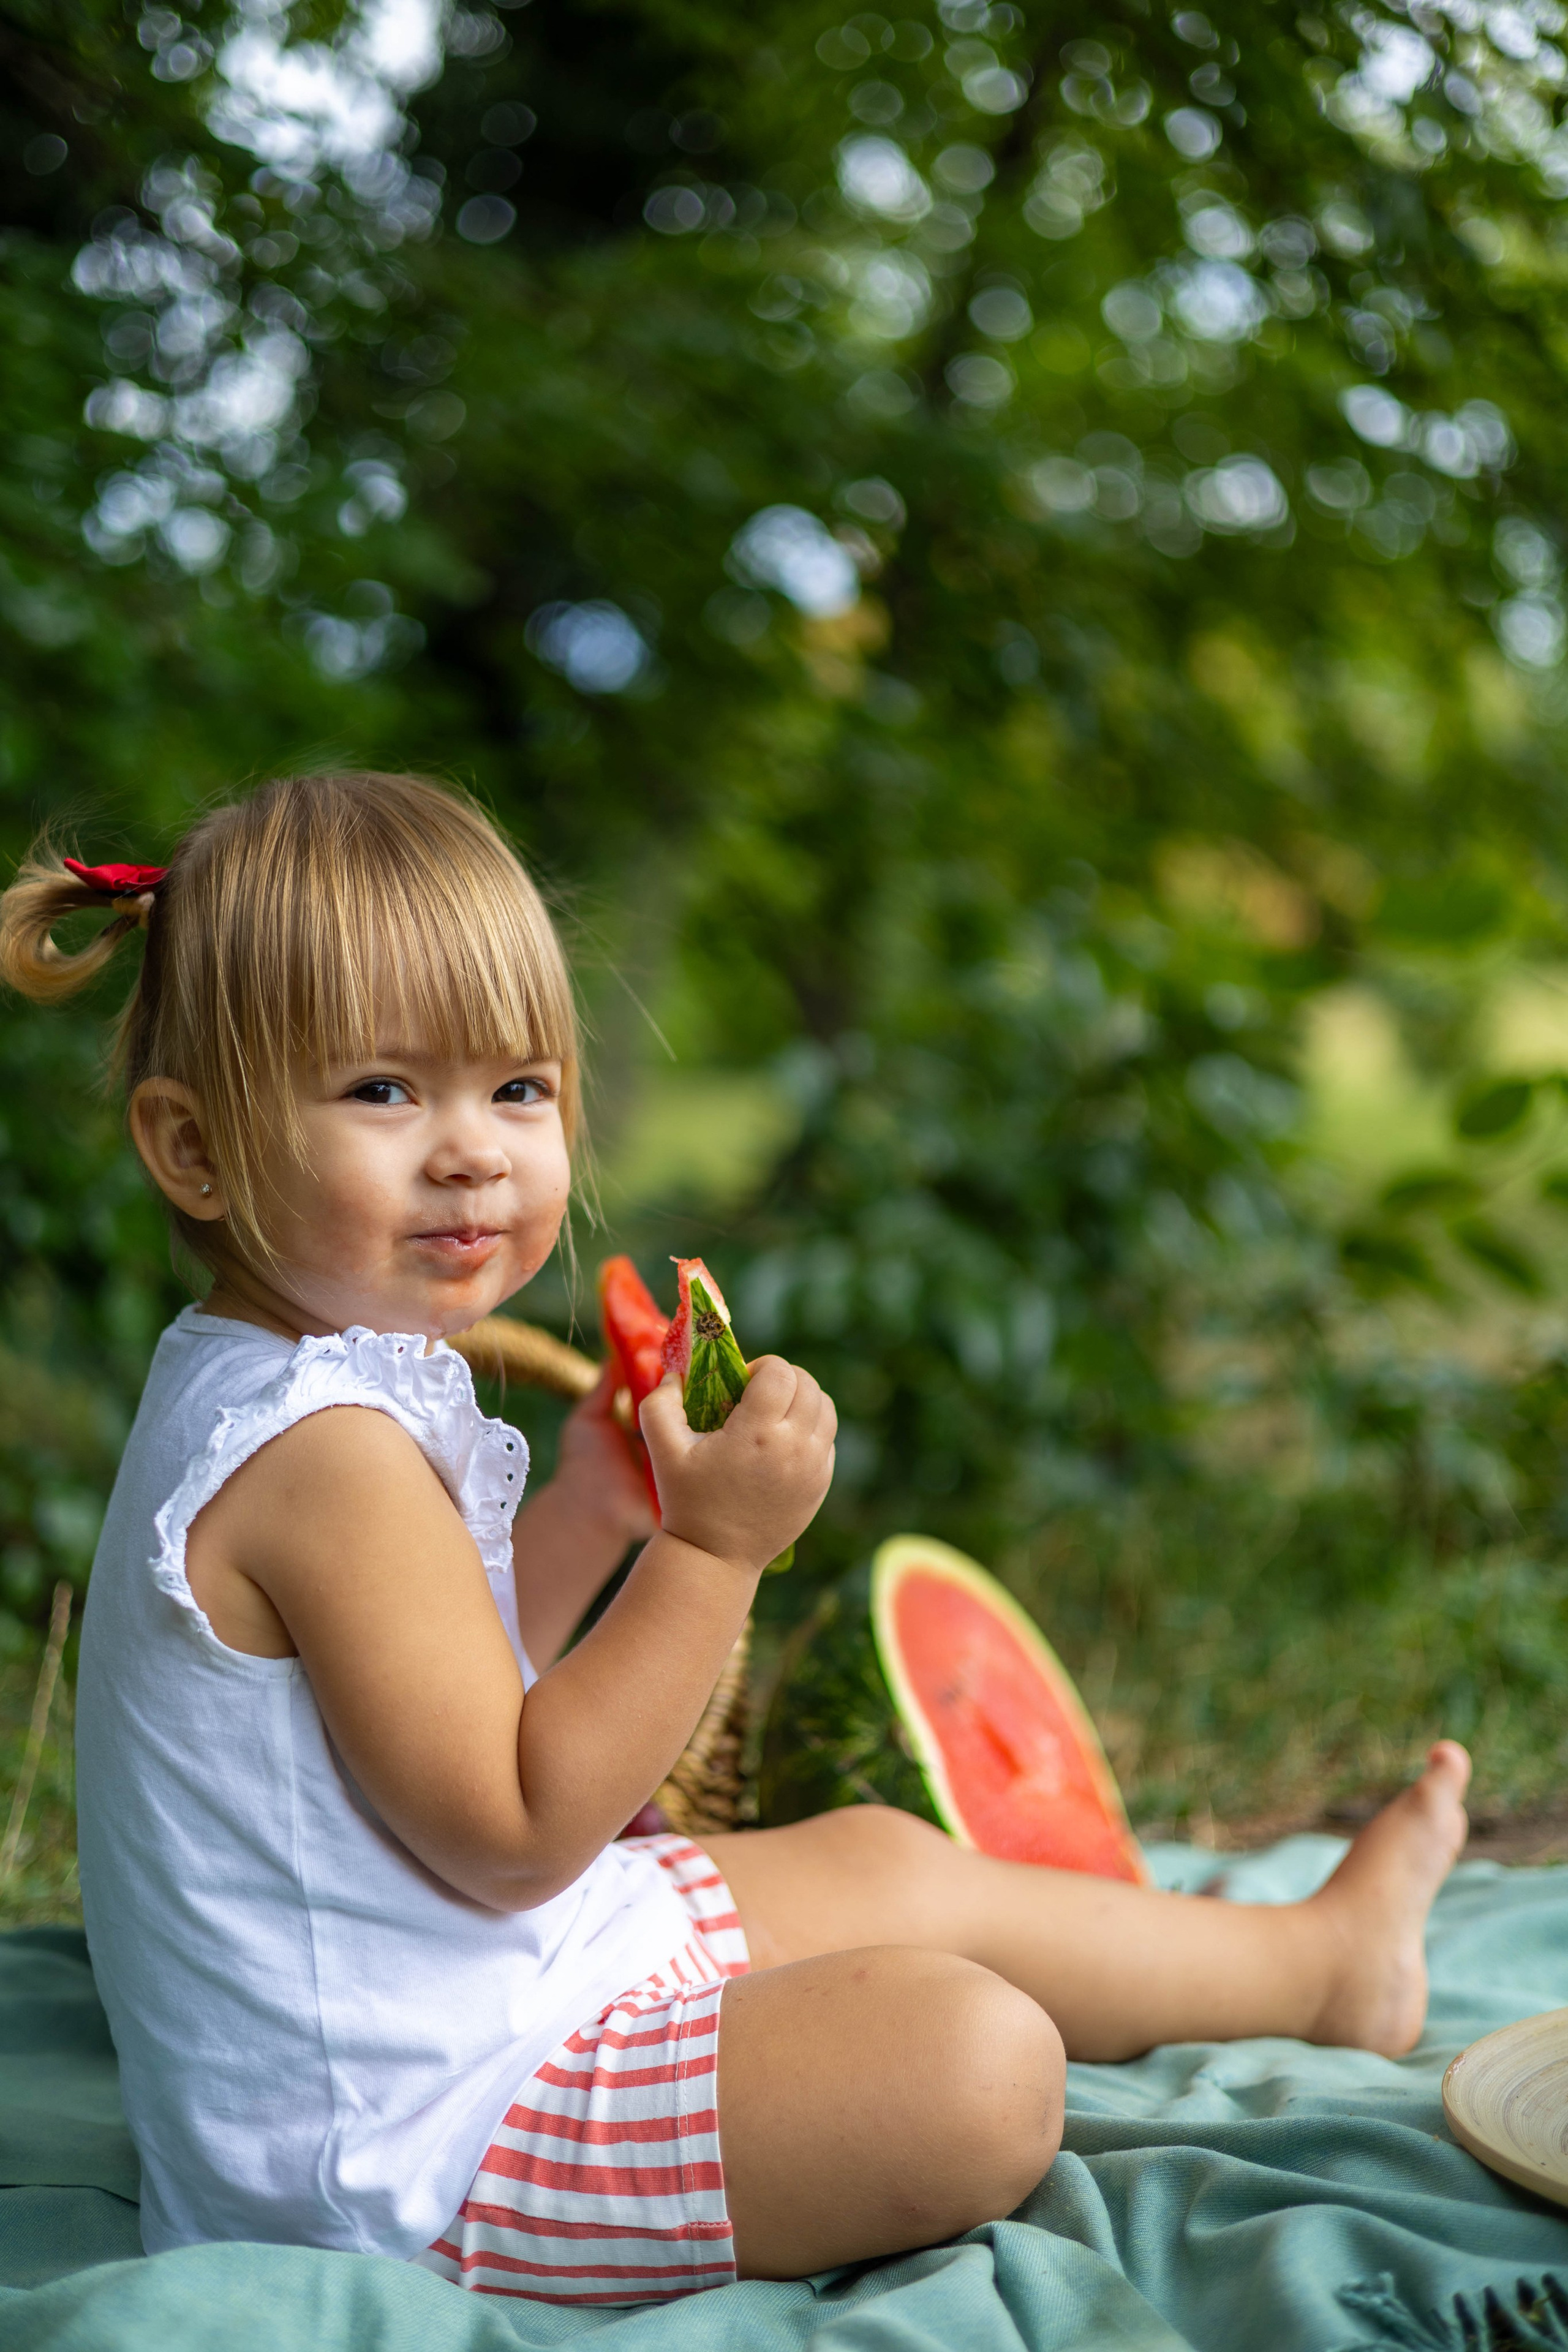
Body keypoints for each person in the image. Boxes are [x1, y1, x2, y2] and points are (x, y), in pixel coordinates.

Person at [0, 772, 1471, 2307]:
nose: (473, 1151)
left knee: (884, 1864)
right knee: (970, 2063)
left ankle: (1321, 1969)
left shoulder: (290, 1384)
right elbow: (516, 1826)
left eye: (517, 1088)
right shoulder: (326, 1457)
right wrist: (710, 1553)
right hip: (412, 2152)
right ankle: (1296, 1971)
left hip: (471, 1992)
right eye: (382, 1090)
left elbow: (435, 1705)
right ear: (193, 1148)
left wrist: (594, 1513)